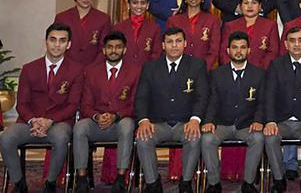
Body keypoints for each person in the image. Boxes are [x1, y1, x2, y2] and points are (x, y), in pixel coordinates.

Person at [0, 24, 84, 193]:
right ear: (45, 41)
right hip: (29, 122)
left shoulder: (76, 70)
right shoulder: (29, 68)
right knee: (6, 137)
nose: (57, 45)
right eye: (53, 40)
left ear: (69, 44)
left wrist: (49, 121)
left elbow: (73, 105)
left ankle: (50, 183)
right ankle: (19, 183)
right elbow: (22, 103)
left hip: (58, 122)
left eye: (62, 41)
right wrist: (34, 121)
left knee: (61, 137)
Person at [134, 27, 209, 193]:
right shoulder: (150, 67)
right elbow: (141, 98)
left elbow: (202, 96)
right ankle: (153, 183)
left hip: (185, 123)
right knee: (143, 138)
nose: (174, 45)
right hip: (158, 124)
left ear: (185, 44)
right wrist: (144, 120)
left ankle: (186, 183)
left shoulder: (197, 65)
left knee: (195, 136)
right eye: (169, 42)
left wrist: (195, 119)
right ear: (162, 45)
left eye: (178, 41)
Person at [74, 32, 141, 193]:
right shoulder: (91, 71)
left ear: (124, 50)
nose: (113, 51)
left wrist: (115, 116)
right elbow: (85, 104)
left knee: (127, 126)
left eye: (118, 47)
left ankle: (120, 178)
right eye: (110, 47)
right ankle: (82, 179)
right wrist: (97, 116)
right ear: (104, 50)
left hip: (121, 120)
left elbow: (136, 104)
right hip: (96, 121)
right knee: (79, 127)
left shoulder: (135, 71)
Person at [199, 31, 266, 193]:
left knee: (258, 137)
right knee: (207, 139)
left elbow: (263, 103)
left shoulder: (259, 74)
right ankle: (214, 183)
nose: (238, 51)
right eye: (235, 47)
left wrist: (258, 121)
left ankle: (248, 183)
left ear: (249, 50)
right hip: (222, 124)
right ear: (227, 50)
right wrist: (209, 121)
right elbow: (212, 101)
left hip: (247, 124)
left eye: (243, 47)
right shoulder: (216, 74)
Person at [262, 26, 301, 193]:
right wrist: (270, 121)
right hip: (280, 121)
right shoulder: (276, 64)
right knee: (269, 137)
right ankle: (279, 179)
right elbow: (269, 95)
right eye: (292, 41)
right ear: (286, 44)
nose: (296, 44)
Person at [55, 0, 112, 67]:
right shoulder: (62, 18)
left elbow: (104, 48)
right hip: (66, 68)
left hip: (93, 69)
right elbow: (57, 45)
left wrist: (92, 68)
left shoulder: (103, 19)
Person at [168, 0, 221, 69]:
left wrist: (202, 69)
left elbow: (214, 51)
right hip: (179, 71)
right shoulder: (174, 21)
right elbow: (170, 49)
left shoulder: (212, 20)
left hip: (204, 71)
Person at [220, 0, 279, 68]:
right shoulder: (230, 26)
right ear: (240, 6)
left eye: (254, 3)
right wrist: (234, 69)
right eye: (246, 3)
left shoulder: (270, 25)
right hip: (234, 73)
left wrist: (258, 71)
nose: (250, 6)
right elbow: (224, 52)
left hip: (262, 73)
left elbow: (273, 52)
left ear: (260, 6)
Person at [112, 0, 162, 68]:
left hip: (146, 74)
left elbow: (156, 55)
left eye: (143, 3)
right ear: (128, 5)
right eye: (135, 2)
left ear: (147, 5)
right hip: (123, 73)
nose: (139, 6)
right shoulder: (118, 28)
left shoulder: (155, 28)